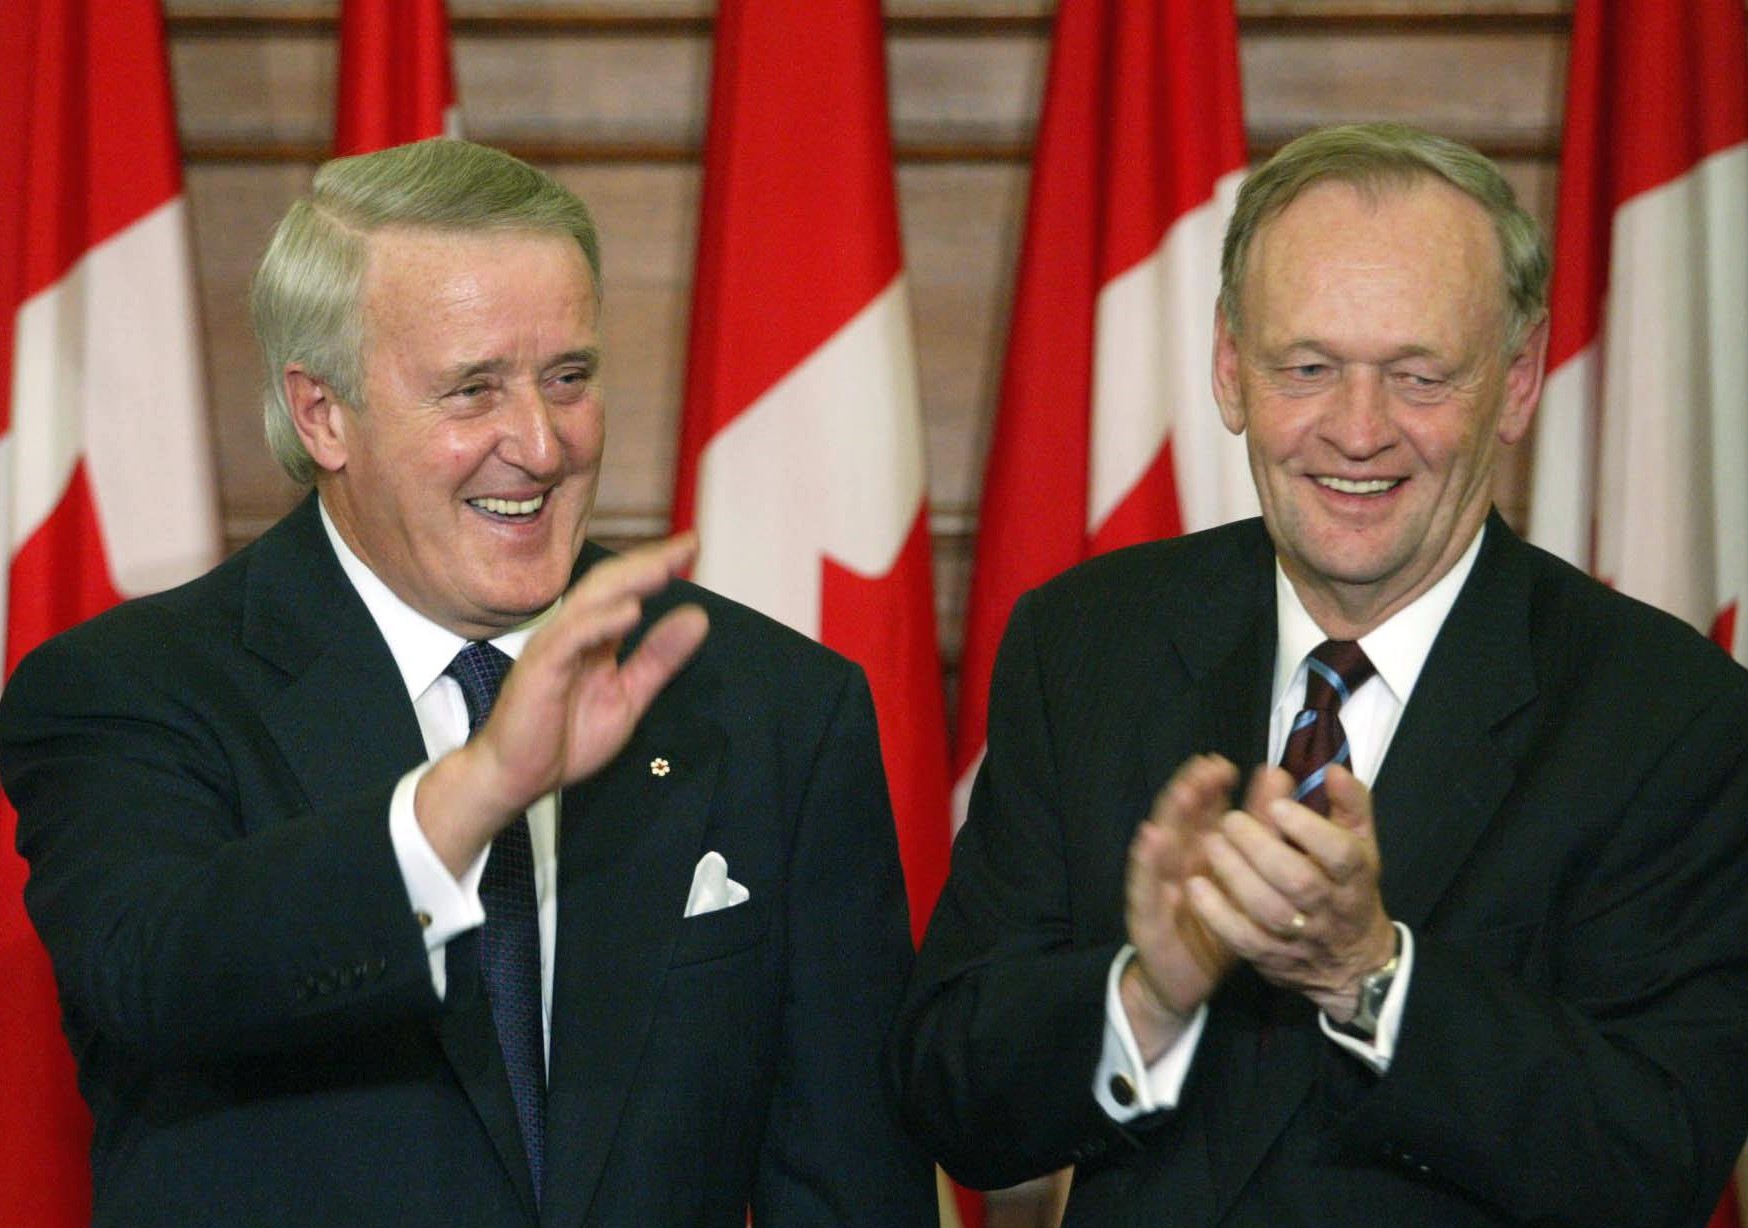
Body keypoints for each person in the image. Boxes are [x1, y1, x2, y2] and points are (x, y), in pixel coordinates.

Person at [0, 138, 935, 1228]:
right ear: (322, 414)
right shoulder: (131, 692)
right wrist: (477, 791)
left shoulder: (770, 704)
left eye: (568, 379)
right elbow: (157, 976)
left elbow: (847, 1181)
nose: (538, 446)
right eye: (471, 388)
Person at [890, 122, 1748, 1226]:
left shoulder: (1664, 711)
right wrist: (1147, 994)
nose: (1355, 430)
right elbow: (948, 1097)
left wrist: (1369, 973)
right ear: (1229, 371)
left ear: (1518, 380)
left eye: (1416, 374)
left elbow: (1656, 1156)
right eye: (1306, 367)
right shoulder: (1085, 644)